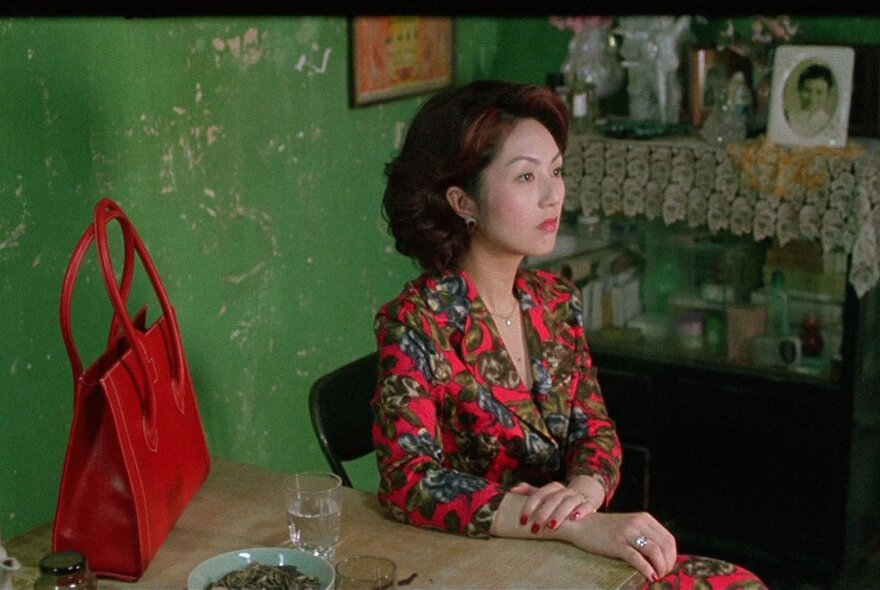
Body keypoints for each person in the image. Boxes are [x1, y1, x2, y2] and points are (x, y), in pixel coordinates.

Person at [371, 79, 766, 587]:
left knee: (739, 582)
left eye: (555, 171)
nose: (553, 194)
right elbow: (407, 481)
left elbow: (595, 431)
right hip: (480, 564)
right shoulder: (417, 322)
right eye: (526, 176)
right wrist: (573, 524)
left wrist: (580, 497)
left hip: (569, 555)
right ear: (463, 201)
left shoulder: (555, 301)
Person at [785, 63, 834, 137]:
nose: (812, 98)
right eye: (807, 90)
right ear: (799, 89)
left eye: (819, 92)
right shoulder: (788, 118)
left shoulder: (829, 123)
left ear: (828, 94)